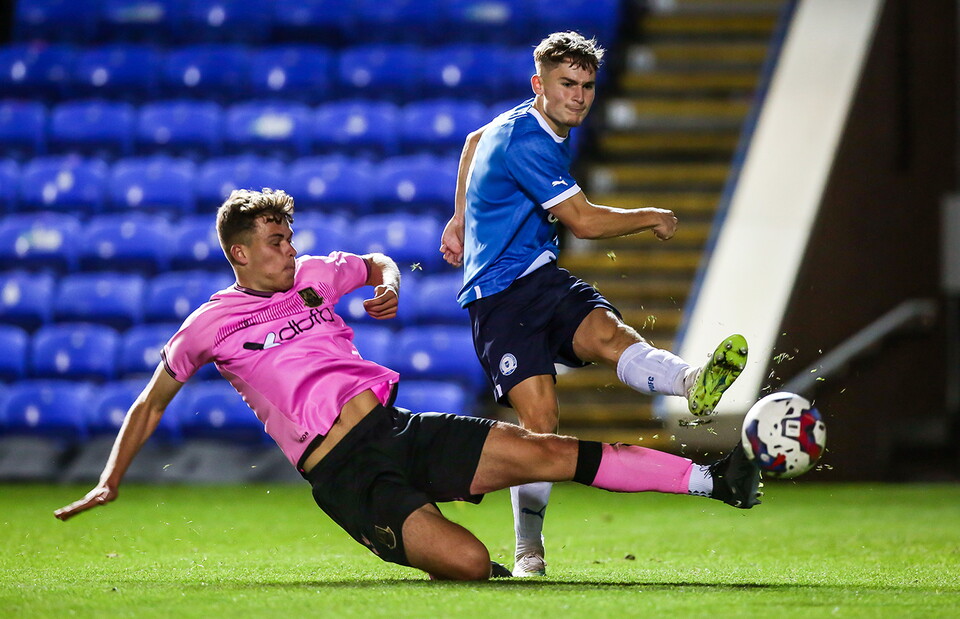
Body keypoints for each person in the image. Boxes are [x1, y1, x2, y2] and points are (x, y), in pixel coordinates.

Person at [55, 188, 761, 581]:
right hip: (346, 473)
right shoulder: (208, 324)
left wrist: (387, 283)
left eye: (290, 235)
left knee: (547, 448)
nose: (290, 247)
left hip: (398, 427)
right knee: (468, 565)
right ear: (240, 252)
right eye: (275, 240)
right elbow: (151, 401)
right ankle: (467, 549)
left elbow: (374, 260)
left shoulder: (312, 278)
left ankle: (715, 480)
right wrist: (111, 476)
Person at [439, 31, 749, 577]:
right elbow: (583, 220)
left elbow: (470, 141)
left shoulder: (520, 122)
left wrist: (460, 217)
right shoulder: (527, 142)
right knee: (542, 425)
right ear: (540, 85)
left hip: (541, 278)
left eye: (586, 85)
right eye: (566, 84)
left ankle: (691, 384)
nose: (578, 96)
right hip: (498, 296)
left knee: (609, 333)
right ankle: (528, 549)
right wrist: (650, 215)